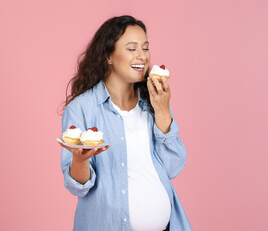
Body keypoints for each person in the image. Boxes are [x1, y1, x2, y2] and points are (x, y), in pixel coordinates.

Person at [58, 15, 192, 231]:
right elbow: (79, 188)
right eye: (132, 49)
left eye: (145, 48)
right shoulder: (82, 108)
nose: (142, 56)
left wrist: (163, 110)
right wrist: (80, 160)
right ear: (108, 56)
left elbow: (173, 167)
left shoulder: (153, 101)